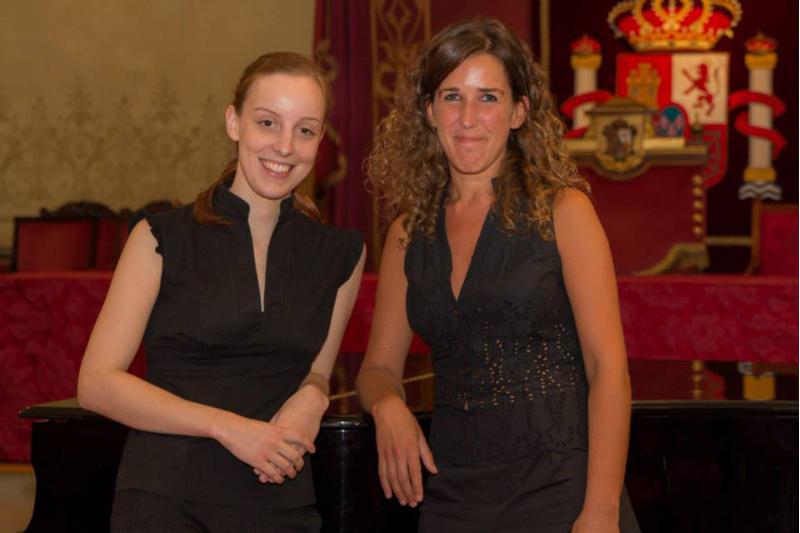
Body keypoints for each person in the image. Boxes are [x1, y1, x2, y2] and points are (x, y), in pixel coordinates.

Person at [357, 18, 639, 533]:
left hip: (561, 488)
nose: (468, 117)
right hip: (452, 493)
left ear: (519, 111)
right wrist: (388, 404)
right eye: (451, 97)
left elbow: (608, 369)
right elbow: (377, 367)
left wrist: (600, 512)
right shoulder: (406, 234)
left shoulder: (564, 212)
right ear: (429, 111)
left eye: (488, 97)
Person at [77, 52, 365, 532]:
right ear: (234, 123)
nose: (285, 146)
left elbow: (317, 371)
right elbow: (96, 385)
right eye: (268, 122)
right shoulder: (160, 237)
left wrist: (315, 397)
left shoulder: (342, 254)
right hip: (166, 498)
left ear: (320, 141)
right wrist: (228, 427)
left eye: (305, 130)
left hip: (280, 498)